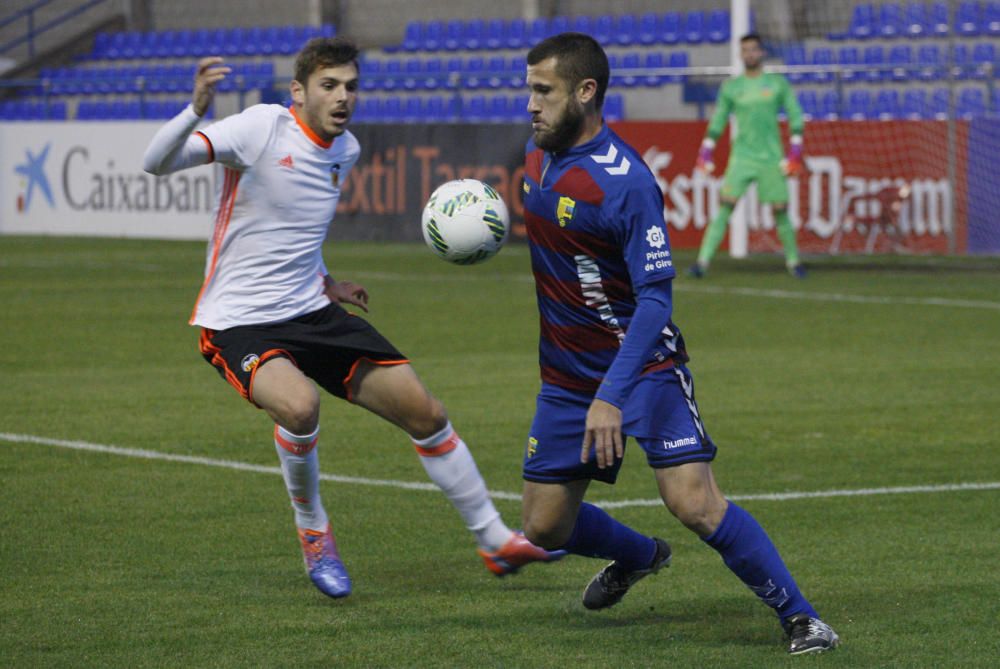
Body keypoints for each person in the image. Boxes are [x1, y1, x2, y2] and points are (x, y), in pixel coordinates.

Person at [142, 37, 563, 600]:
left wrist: (326, 281)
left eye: (351, 86)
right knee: (299, 405)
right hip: (238, 321)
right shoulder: (262, 128)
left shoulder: (345, 150)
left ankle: (493, 539)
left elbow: (298, 234)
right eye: (329, 85)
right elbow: (156, 163)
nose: (343, 97)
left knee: (425, 410)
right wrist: (196, 109)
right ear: (299, 91)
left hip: (313, 311)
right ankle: (314, 532)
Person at [519, 32, 838, 655]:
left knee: (692, 501)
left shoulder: (628, 184)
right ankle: (639, 556)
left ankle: (803, 619)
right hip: (565, 377)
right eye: (529, 89)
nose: (529, 104)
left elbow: (656, 301)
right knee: (544, 525)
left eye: (542, 91)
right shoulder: (536, 160)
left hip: (642, 368)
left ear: (586, 93)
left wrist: (613, 393)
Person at [689, 33, 807, 279]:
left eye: (754, 49)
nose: (750, 54)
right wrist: (706, 149)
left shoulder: (777, 84)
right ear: (741, 54)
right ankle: (702, 262)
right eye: (745, 50)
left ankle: (793, 262)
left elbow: (795, 115)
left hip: (771, 158)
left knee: (780, 209)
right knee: (725, 206)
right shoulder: (732, 87)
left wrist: (795, 151)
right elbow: (719, 118)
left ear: (761, 52)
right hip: (742, 157)